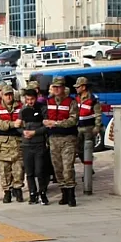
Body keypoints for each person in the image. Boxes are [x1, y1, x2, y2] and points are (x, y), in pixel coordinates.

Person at [43, 76, 79, 207]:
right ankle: (64, 193)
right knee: (58, 168)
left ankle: (71, 195)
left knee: (67, 167)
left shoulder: (71, 102)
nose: (57, 89)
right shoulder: (49, 101)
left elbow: (73, 120)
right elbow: (44, 116)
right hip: (53, 138)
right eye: (55, 87)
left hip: (68, 138)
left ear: (64, 88)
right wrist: (45, 122)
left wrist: (57, 123)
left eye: (59, 87)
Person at [0, 85, 24, 203]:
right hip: (2, 143)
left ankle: (18, 189)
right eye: (6, 95)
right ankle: (7, 191)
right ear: (2, 96)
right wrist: (12, 124)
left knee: (18, 168)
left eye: (10, 94)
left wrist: (19, 124)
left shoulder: (20, 107)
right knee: (4, 170)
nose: (9, 97)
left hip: (17, 142)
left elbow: (24, 121)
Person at [20, 89, 50, 205]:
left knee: (40, 171)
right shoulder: (23, 110)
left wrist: (35, 132)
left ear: (36, 98)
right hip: (26, 144)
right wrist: (23, 132)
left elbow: (47, 126)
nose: (30, 102)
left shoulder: (42, 109)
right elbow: (18, 125)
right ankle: (32, 194)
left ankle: (42, 192)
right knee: (29, 172)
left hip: (39, 144)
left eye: (32, 99)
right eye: (27, 99)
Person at [74, 77, 102, 166]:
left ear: (83, 87)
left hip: (89, 128)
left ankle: (88, 171)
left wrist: (97, 127)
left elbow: (98, 114)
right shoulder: (76, 98)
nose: (76, 89)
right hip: (78, 128)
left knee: (88, 150)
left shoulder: (93, 99)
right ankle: (87, 167)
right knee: (78, 149)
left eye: (78, 87)